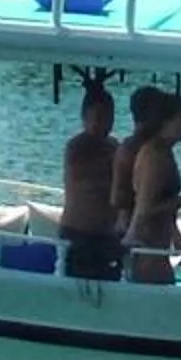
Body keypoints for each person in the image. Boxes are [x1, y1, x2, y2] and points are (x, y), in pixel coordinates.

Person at [125, 89, 181, 285]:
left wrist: (176, 236)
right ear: (166, 122)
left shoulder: (164, 152)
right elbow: (145, 209)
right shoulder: (154, 156)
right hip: (147, 246)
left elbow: (160, 201)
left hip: (158, 245)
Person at [58, 81, 124, 280]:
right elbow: (92, 183)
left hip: (107, 235)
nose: (104, 124)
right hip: (78, 233)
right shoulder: (77, 147)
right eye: (98, 118)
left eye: (109, 118)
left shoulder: (114, 146)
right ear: (84, 118)